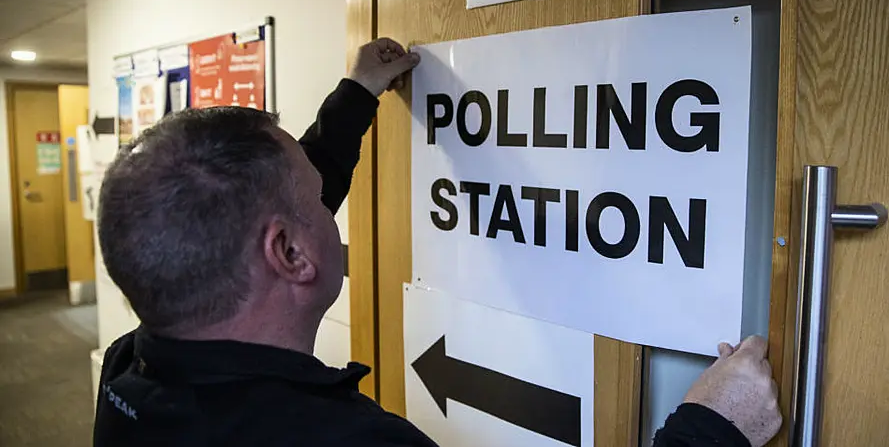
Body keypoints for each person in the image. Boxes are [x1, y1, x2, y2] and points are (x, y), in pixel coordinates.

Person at [93, 38, 782, 447]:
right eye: (315, 203)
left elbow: (278, 206)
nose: (329, 210)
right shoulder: (348, 443)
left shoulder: (132, 372)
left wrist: (357, 92)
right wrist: (711, 429)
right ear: (291, 255)